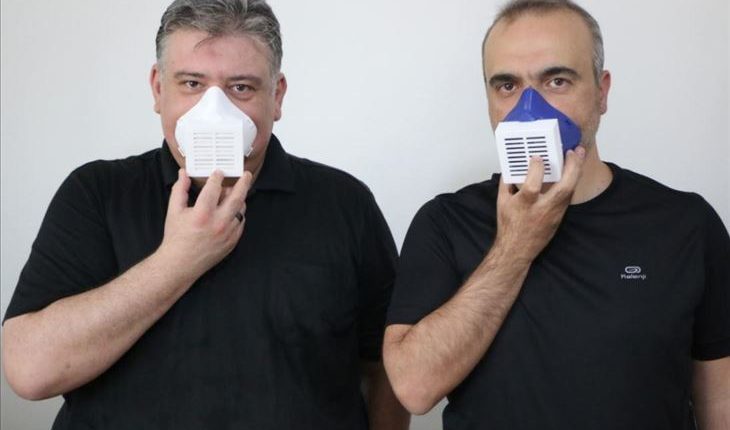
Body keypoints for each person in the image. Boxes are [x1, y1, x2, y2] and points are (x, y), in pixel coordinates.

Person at [2, 1, 409, 429]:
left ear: (277, 96)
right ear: (158, 89)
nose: (214, 111)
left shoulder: (344, 204)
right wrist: (177, 262)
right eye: (192, 83)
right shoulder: (96, 194)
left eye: (241, 88)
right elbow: (30, 371)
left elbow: (387, 365)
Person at [382, 1, 730, 429]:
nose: (530, 107)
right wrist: (515, 246)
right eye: (507, 85)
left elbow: (720, 402)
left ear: (601, 92)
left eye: (557, 81)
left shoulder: (685, 224)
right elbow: (413, 387)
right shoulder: (446, 223)